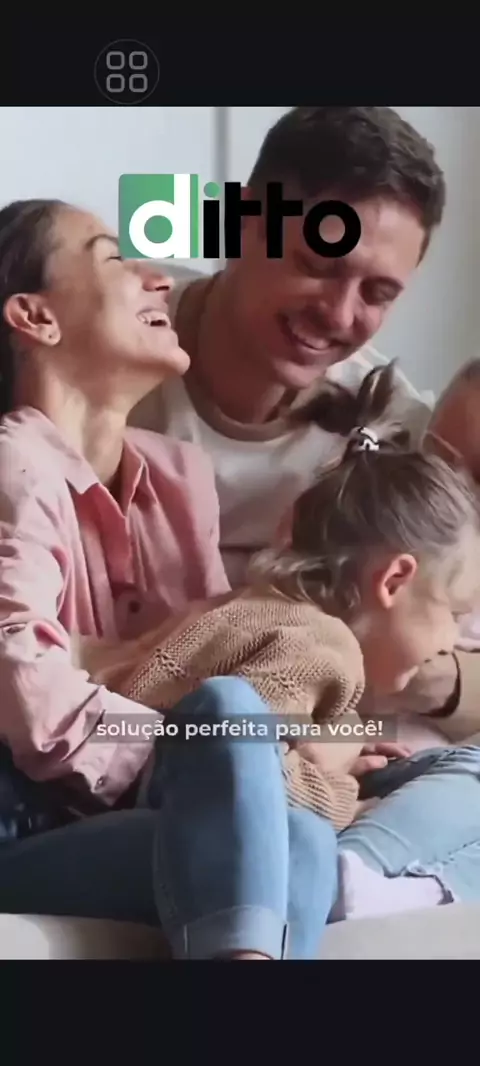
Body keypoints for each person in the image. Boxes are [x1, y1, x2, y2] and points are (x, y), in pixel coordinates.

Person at [0, 197, 347, 961]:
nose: (159, 277)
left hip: (126, 816)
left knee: (300, 839)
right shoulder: (12, 464)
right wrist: (218, 753)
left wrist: (239, 758)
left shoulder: (180, 479)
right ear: (35, 316)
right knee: (226, 717)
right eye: (113, 257)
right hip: (20, 823)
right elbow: (31, 696)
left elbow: (213, 658)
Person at [87, 361, 480, 918]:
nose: (453, 638)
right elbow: (241, 775)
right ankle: (361, 874)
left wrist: (345, 748)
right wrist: (343, 796)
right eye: (454, 613)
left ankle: (401, 885)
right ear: (394, 580)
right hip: (162, 834)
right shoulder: (313, 644)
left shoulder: (270, 614)